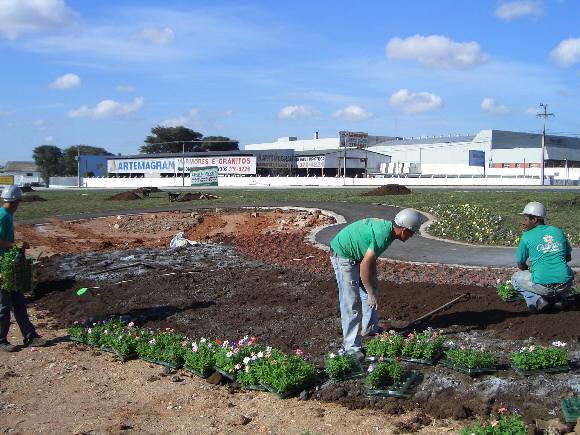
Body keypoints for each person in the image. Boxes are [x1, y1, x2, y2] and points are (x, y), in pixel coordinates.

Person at [329, 208, 422, 358]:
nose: (411, 236)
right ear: (404, 229)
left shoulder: (389, 231)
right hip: (344, 255)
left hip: (358, 255)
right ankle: (351, 347)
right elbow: (365, 266)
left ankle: (370, 328)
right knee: (351, 302)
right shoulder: (383, 235)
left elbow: (369, 263)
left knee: (372, 287)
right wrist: (370, 293)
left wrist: (371, 289)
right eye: (412, 233)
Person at [0, 185, 46, 352]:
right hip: (3, 267)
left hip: (10, 266)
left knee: (18, 301)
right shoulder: (4, 216)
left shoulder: (6, 215)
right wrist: (15, 245)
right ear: (17, 201)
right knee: (4, 305)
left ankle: (30, 336)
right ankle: (1, 340)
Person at [511, 201, 574, 314]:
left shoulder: (526, 236)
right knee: (567, 270)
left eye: (525, 219)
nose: (523, 223)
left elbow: (520, 264)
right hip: (564, 284)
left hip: (542, 285)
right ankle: (559, 299)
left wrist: (532, 270)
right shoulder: (557, 231)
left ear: (534, 220)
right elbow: (567, 257)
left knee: (516, 278)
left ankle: (537, 301)